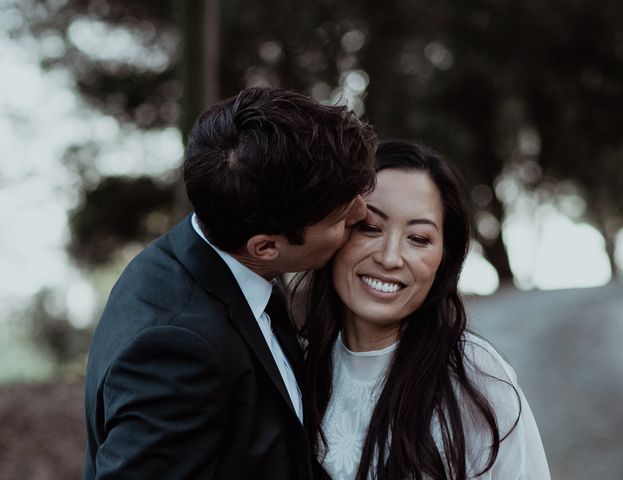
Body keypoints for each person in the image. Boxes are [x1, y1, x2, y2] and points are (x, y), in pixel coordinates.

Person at [83, 87, 377, 480]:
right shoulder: (177, 351)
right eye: (341, 217)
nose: (363, 210)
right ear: (266, 246)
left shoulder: (220, 249)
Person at [298, 140, 551, 479]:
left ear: (442, 261)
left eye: (418, 238)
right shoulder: (291, 367)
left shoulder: (474, 377)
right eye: (370, 228)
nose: (389, 257)